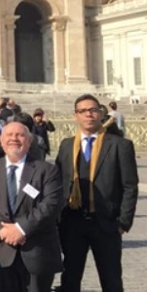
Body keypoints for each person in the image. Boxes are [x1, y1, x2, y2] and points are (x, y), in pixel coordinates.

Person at [56, 94, 138, 292]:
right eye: (83, 111)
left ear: (101, 113)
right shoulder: (67, 145)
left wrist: (123, 222)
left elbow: (130, 186)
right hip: (73, 222)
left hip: (107, 224)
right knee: (71, 278)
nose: (88, 115)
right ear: (75, 116)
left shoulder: (120, 145)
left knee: (111, 279)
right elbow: (59, 181)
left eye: (93, 110)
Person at [0, 122, 63, 292]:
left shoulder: (46, 170)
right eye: (9, 135)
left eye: (20, 135)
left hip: (37, 252)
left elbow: (51, 204)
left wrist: (21, 228)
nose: (14, 139)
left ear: (29, 141)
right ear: (1, 142)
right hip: (0, 252)